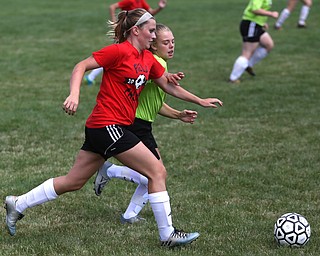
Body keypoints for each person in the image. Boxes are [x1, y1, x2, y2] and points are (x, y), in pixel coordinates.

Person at [4, 9, 223, 247]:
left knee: (74, 181)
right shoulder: (118, 52)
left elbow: (169, 87)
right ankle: (167, 235)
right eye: (151, 30)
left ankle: (18, 203)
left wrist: (199, 100)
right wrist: (74, 94)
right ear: (136, 30)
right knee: (157, 172)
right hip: (107, 125)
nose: (153, 35)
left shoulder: (147, 59)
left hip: (104, 128)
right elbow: (81, 66)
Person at [93, 23, 198, 225]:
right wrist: (199, 100)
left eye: (173, 41)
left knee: (155, 172)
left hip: (143, 124)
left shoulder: (158, 63)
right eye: (165, 42)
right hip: (135, 123)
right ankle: (113, 176)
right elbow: (148, 82)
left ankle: (128, 210)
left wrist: (178, 115)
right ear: (154, 46)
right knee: (156, 173)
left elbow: (155, 103)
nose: (171, 46)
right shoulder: (152, 62)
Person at [84, 0, 167, 85]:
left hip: (136, 37)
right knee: (113, 57)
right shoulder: (130, 1)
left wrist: (160, 7)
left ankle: (93, 77)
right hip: (129, 35)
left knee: (116, 59)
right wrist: (115, 24)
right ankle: (92, 76)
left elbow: (150, 14)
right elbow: (112, 7)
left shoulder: (141, 1)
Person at [229, 0, 279, 83]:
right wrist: (271, 14)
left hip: (256, 24)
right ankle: (233, 78)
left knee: (268, 45)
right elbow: (255, 9)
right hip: (251, 25)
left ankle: (247, 65)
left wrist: (262, 21)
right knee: (247, 53)